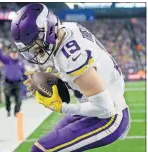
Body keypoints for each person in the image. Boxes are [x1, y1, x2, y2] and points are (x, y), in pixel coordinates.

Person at [10, 3, 130, 152]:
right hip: (99, 105)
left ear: (49, 30)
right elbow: (87, 71)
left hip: (109, 117)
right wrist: (61, 78)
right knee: (53, 139)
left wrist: (62, 107)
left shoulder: (72, 58)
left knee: (41, 150)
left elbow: (105, 109)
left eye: (36, 44)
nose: (35, 51)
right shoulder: (68, 28)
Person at [0, 43, 26, 117]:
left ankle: (16, 112)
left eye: (15, 53)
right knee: (7, 97)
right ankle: (8, 109)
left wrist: (27, 81)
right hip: (8, 83)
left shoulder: (20, 62)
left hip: (18, 83)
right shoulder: (7, 60)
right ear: (10, 54)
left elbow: (24, 72)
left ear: (17, 54)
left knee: (19, 99)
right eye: (12, 53)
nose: (14, 54)